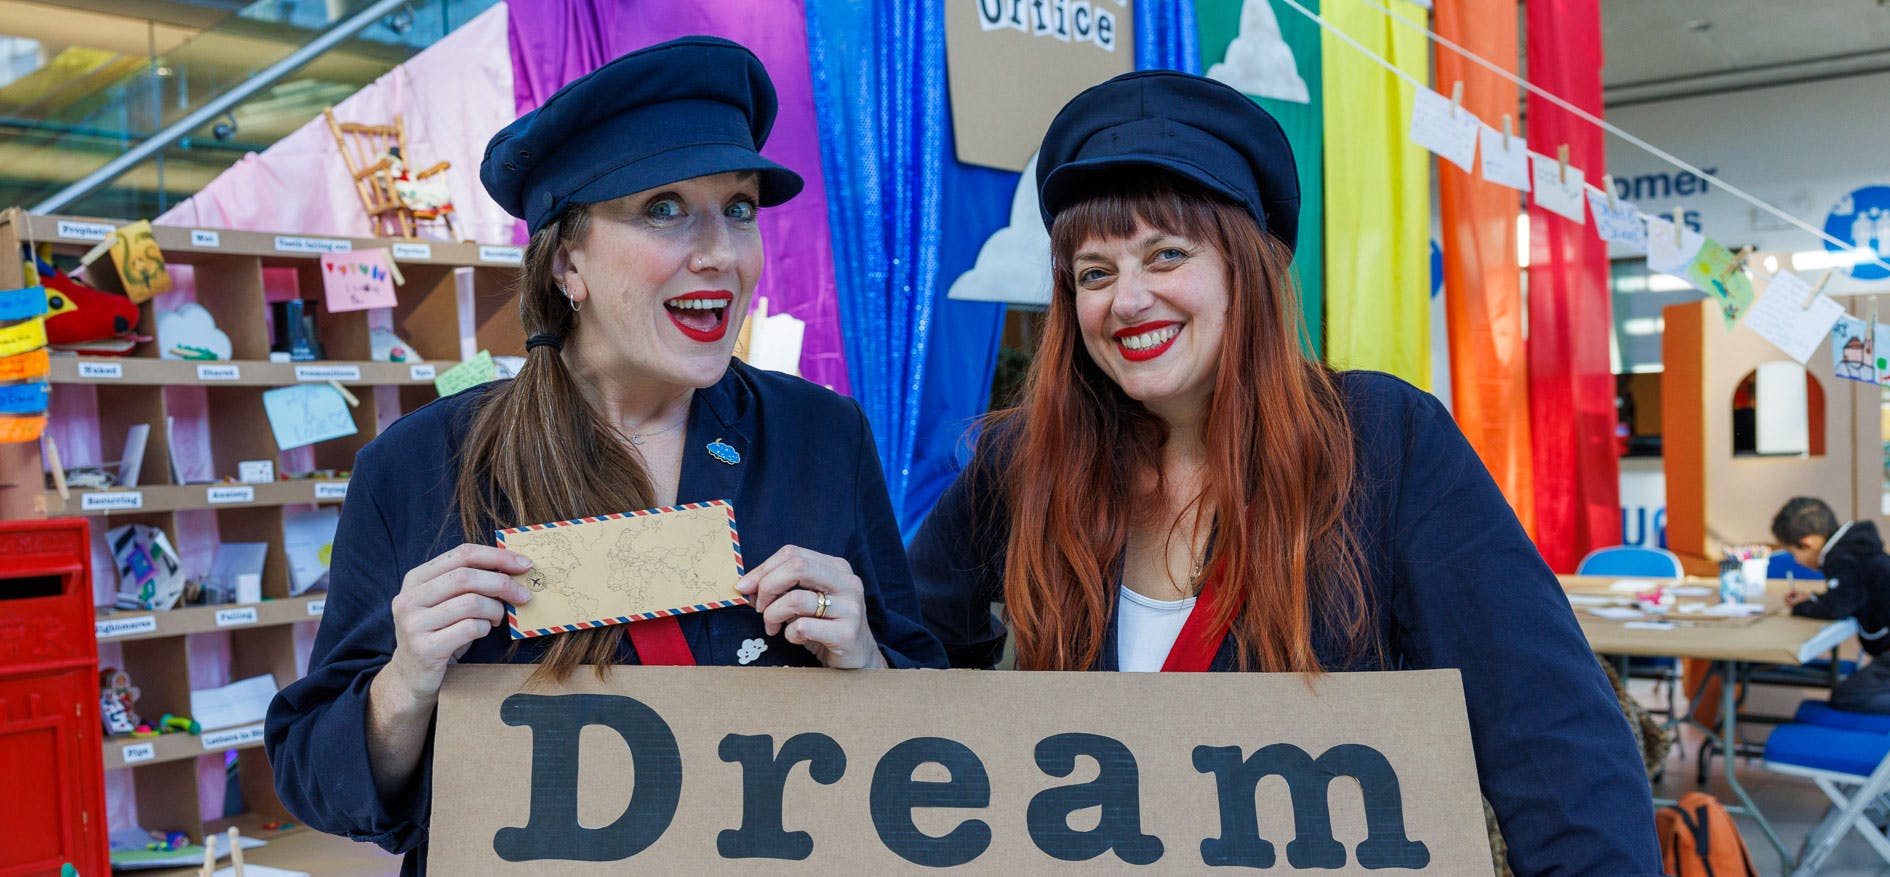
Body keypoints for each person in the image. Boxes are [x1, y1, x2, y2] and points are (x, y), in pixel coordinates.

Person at [909, 70, 1661, 874]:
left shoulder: (1380, 440)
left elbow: (1549, 735)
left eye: (1166, 255)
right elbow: (909, 644)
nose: (1127, 299)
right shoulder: (1028, 462)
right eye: (1094, 272)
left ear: (1251, 267)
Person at [266, 36, 945, 874]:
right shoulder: (418, 466)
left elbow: (927, 733)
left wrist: (868, 660)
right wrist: (406, 680)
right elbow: (314, 778)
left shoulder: (821, 435)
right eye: (665, 207)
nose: (723, 252)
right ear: (567, 261)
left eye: (738, 206)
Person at [1774, 496, 1890, 713]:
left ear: (1807, 543)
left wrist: (1800, 608)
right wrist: (1815, 600)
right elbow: (1849, 593)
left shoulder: (1841, 557)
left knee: (1848, 696)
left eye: (1794, 553)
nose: (1796, 560)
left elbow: (1838, 608)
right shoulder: (1856, 547)